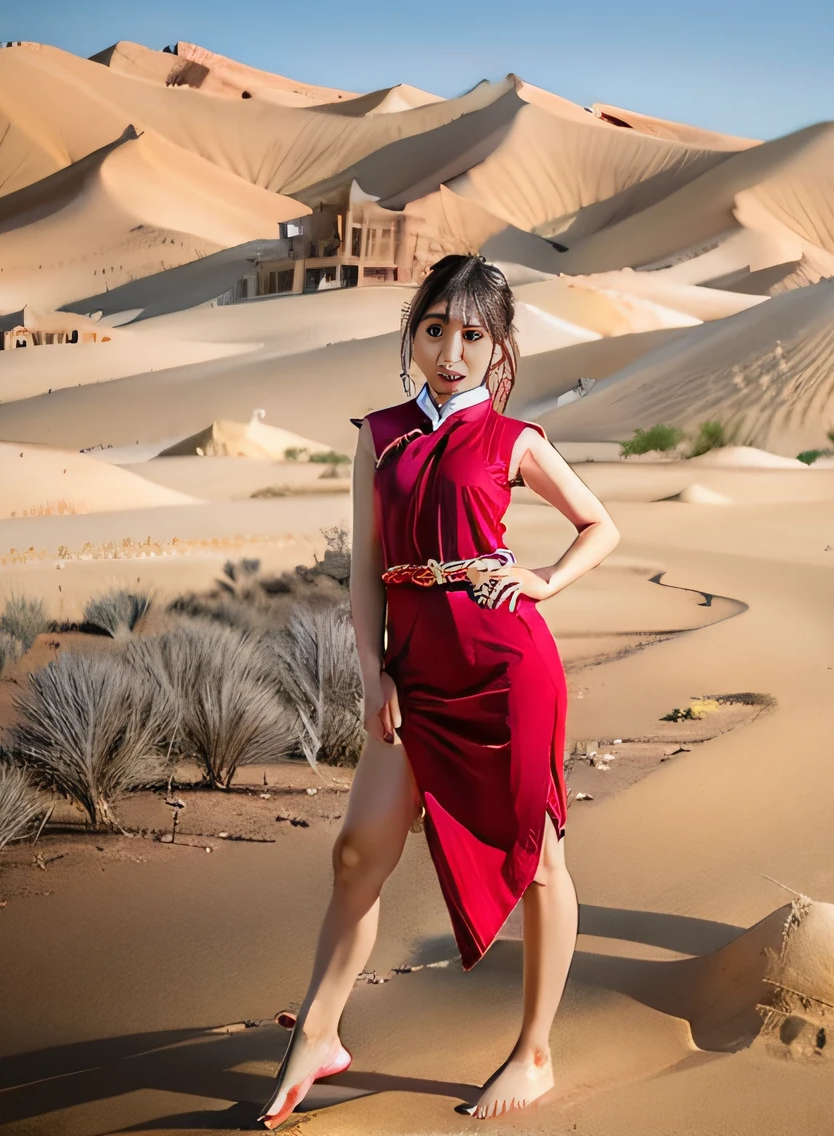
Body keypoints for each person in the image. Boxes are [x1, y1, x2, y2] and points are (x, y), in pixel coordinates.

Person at [259, 255, 620, 1127]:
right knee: (356, 854)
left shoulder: (515, 439)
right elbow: (364, 573)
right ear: (413, 333)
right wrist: (373, 669)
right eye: (435, 329)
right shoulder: (377, 433)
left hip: (506, 669)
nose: (450, 350)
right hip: (414, 674)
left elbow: (600, 525)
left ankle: (534, 1053)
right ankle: (319, 1035)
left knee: (539, 859)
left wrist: (541, 581)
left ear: (496, 347)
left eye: (471, 335)